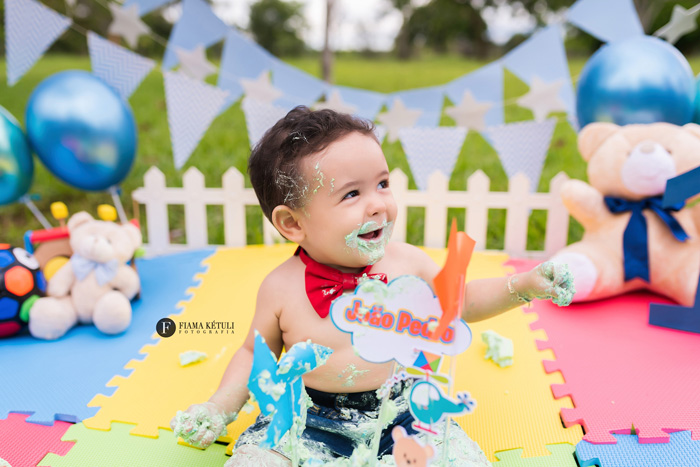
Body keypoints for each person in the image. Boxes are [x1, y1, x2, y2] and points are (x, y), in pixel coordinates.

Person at [170, 107, 574, 466]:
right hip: (305, 419)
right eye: (352, 193)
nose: (379, 203)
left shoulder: (408, 263)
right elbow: (252, 352)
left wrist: (523, 285)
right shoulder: (281, 288)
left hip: (402, 413)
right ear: (293, 223)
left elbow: (461, 301)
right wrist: (219, 406)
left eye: (382, 184)